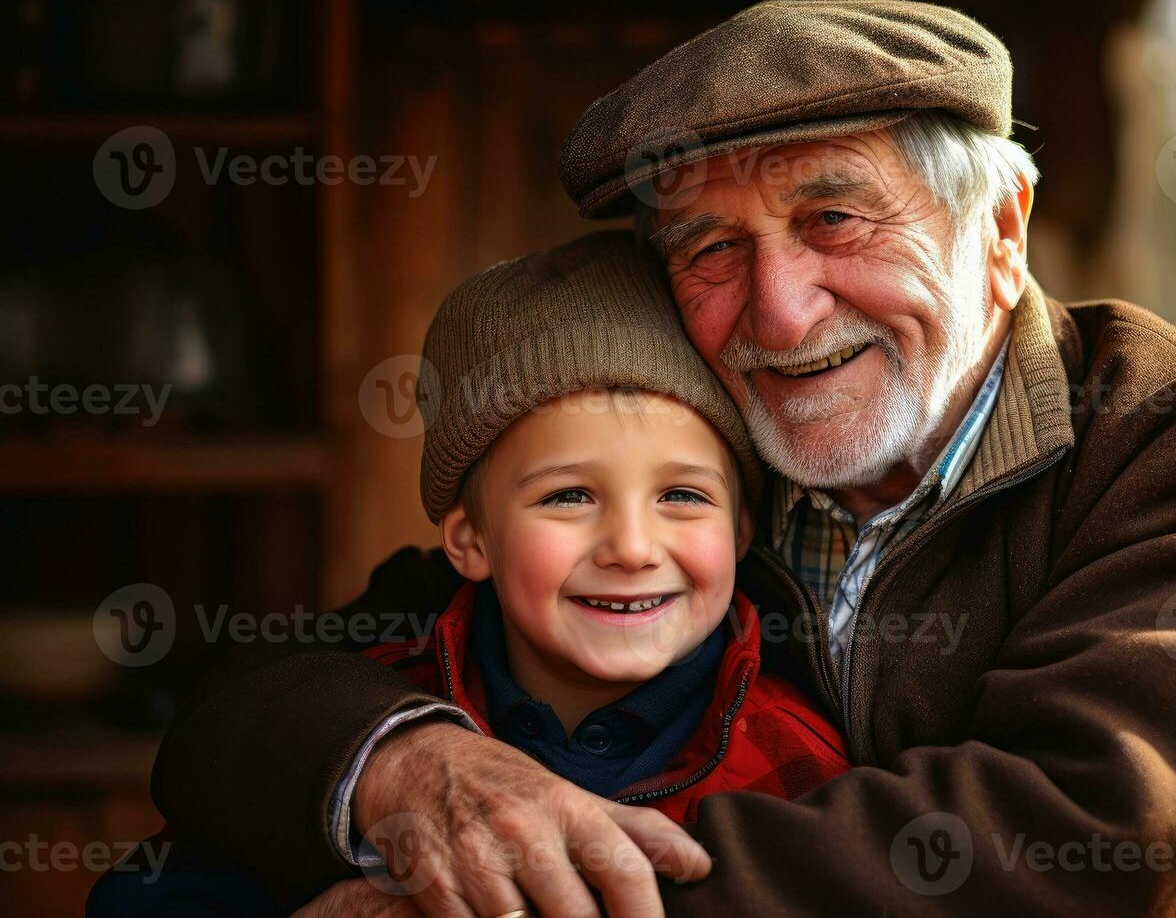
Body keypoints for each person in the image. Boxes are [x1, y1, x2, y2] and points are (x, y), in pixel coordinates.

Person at [149, 0, 1176, 916]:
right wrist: (405, 766)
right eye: (710, 249)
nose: (781, 314)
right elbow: (266, 690)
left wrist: (505, 901)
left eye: (833, 218)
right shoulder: (718, 456)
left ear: (1000, 231)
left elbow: (1083, 838)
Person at [90, 232, 847, 914]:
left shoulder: (796, 757)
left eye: (682, 496)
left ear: (741, 528)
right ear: (470, 540)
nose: (631, 546)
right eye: (569, 496)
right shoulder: (371, 713)